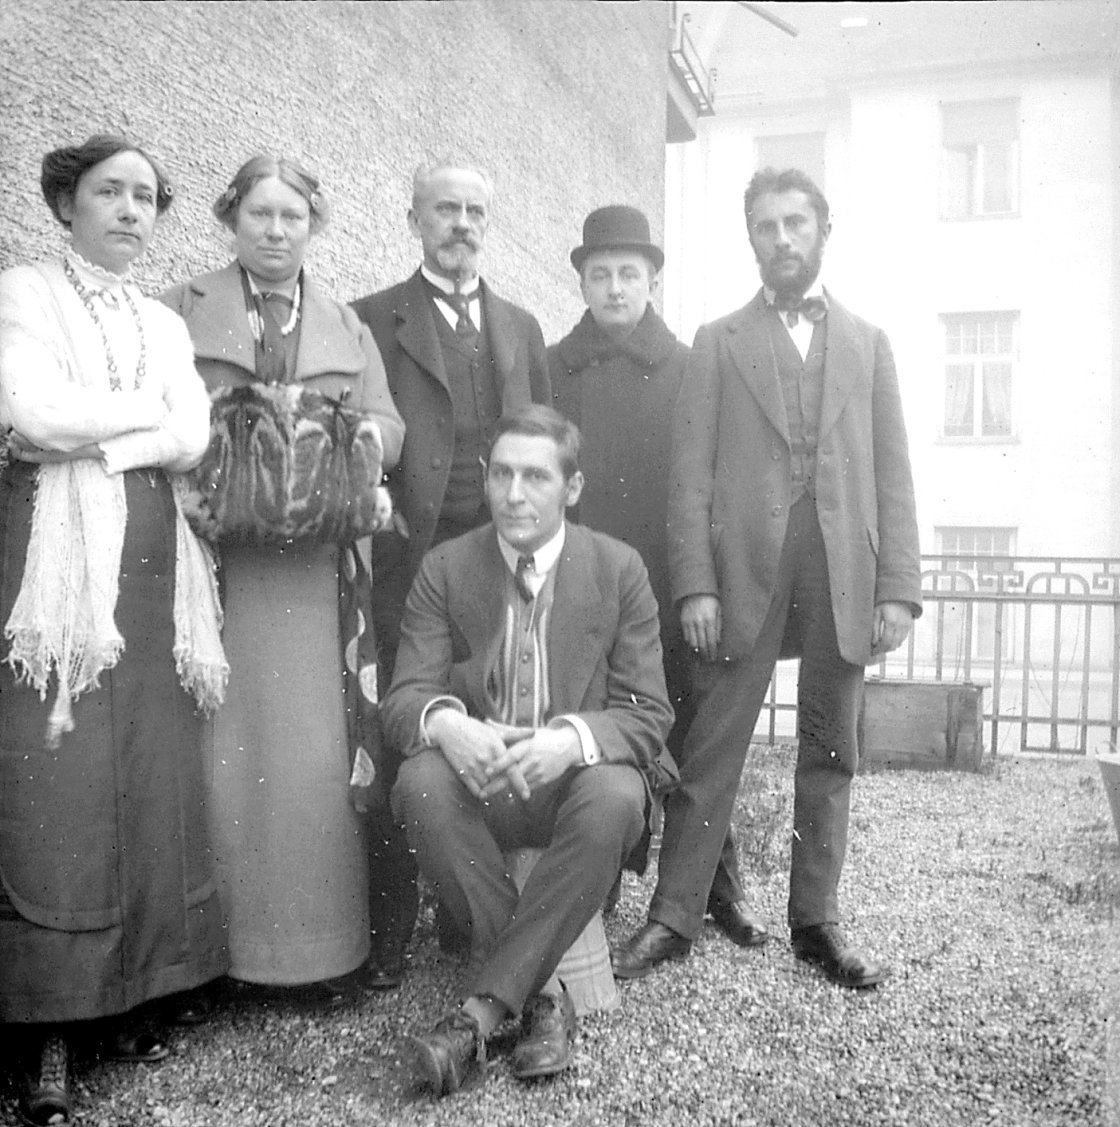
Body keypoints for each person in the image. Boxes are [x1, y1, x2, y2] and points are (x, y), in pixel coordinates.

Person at [613, 167, 922, 989]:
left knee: (833, 748)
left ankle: (816, 920)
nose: (781, 239)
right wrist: (695, 586)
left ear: (825, 229)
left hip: (843, 572)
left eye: (795, 223)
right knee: (712, 744)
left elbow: (893, 471)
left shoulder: (867, 341)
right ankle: (674, 915)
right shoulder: (718, 340)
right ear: (749, 238)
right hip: (745, 570)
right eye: (765, 227)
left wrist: (898, 585)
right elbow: (691, 474)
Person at [0, 134, 228, 1127]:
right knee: (58, 779)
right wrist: (140, 420)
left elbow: (195, 433)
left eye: (146, 196)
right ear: (65, 203)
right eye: (109, 192)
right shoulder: (20, 293)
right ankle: (50, 1022)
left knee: (144, 767)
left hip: (148, 569)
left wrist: (104, 425)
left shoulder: (158, 317)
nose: (130, 211)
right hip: (56, 570)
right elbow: (31, 416)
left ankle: (136, 992)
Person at [162, 156, 404, 998]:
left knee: (312, 757)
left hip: (316, 578)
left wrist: (313, 437)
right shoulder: (178, 309)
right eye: (259, 214)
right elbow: (164, 416)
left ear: (313, 226)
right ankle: (220, 960)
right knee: (224, 750)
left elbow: (390, 430)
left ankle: (319, 953)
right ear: (231, 218)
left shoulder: (347, 325)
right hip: (222, 570)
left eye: (292, 216)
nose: (274, 230)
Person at [383, 405, 674, 1096]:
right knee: (418, 778)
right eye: (502, 474)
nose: (515, 493)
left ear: (571, 488)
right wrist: (449, 724)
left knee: (619, 792)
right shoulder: (446, 567)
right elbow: (402, 700)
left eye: (536, 477)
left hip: (573, 791)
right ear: (484, 480)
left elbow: (650, 714)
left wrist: (571, 741)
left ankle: (479, 1015)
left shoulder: (618, 568)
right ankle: (541, 999)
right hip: (481, 788)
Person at [351, 161, 550, 985]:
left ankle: (485, 906)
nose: (461, 223)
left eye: (474, 210)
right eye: (445, 210)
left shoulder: (520, 325)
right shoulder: (372, 319)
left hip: (505, 564)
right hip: (413, 564)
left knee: (501, 714)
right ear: (414, 219)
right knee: (407, 731)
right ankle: (393, 924)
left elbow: (542, 438)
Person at [548, 206, 755, 937]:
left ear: (653, 280)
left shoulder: (687, 365)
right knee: (597, 728)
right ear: (580, 282)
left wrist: (704, 581)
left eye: (628, 274)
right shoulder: (554, 366)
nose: (613, 288)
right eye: (599, 274)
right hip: (584, 582)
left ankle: (713, 888)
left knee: (694, 734)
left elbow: (711, 480)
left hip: (669, 583)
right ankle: (591, 889)